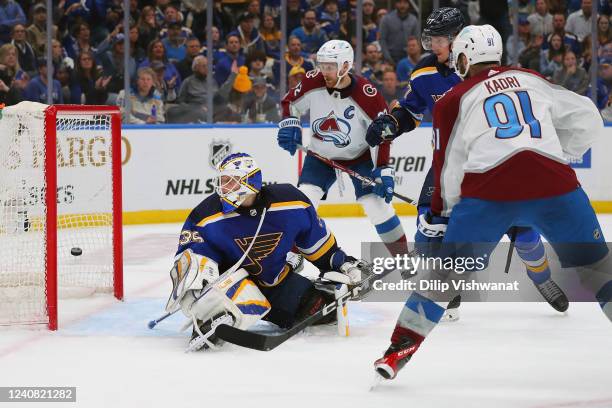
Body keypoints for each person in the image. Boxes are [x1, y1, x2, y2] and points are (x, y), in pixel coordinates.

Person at [372, 23, 612, 381]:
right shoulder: (530, 77)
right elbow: (588, 118)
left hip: (490, 195)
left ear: (466, 57)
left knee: (441, 279)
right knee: (599, 271)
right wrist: (556, 154)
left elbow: (447, 167)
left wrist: (440, 212)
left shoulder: (454, 98)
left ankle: (396, 354)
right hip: (555, 187)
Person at [365, 8, 569, 325]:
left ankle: (540, 275)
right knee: (427, 223)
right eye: (429, 38)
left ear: (459, 39)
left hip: (495, 159)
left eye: (438, 39)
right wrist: (391, 123)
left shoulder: (489, 71)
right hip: (449, 159)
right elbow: (411, 111)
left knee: (523, 231)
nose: (432, 45)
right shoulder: (423, 74)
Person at [165, 152, 372, 351]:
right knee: (230, 303)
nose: (223, 187)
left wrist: (344, 264)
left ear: (251, 182)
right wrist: (197, 295)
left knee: (323, 311)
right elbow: (191, 259)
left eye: (231, 181)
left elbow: (319, 245)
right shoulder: (205, 216)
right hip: (233, 285)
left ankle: (316, 287)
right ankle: (213, 317)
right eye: (222, 180)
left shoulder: (291, 202)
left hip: (276, 282)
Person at [277, 39, 407, 248]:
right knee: (303, 205)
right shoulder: (313, 81)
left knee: (376, 205)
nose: (324, 72)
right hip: (320, 157)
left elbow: (384, 132)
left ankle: (405, 261)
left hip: (359, 157)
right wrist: (290, 125)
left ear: (346, 66)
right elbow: (290, 102)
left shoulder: (367, 95)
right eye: (322, 66)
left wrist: (382, 167)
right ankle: (290, 259)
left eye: (330, 67)